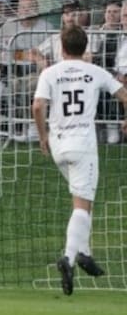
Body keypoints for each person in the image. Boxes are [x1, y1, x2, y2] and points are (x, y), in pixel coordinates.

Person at [31, 26, 127, 296]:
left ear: (62, 46)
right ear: (85, 47)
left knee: (83, 199)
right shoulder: (96, 71)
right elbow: (124, 96)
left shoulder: (50, 72)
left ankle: (84, 253)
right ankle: (69, 258)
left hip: (58, 143)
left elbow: (38, 106)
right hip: (83, 143)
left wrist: (42, 136)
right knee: (82, 205)